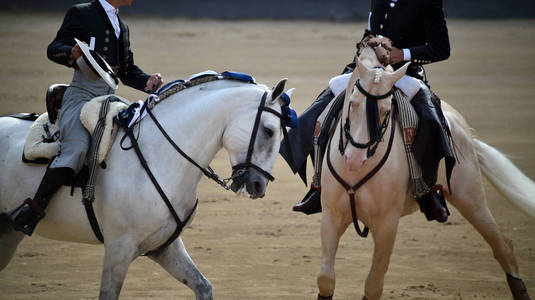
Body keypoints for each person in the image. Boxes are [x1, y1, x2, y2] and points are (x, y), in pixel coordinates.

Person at [280, 0, 455, 223]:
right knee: (321, 112)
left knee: (429, 121)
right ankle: (318, 186)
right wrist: (370, 44)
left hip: (404, 74)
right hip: (365, 69)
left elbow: (441, 49)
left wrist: (402, 54)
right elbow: (369, 32)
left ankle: (427, 190)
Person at [8, 0, 163, 235]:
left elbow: (128, 70)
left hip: (109, 99)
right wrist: (70, 52)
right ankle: (34, 208)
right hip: (80, 95)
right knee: (77, 147)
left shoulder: (122, 25)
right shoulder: (82, 13)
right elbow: (53, 48)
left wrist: (147, 82)